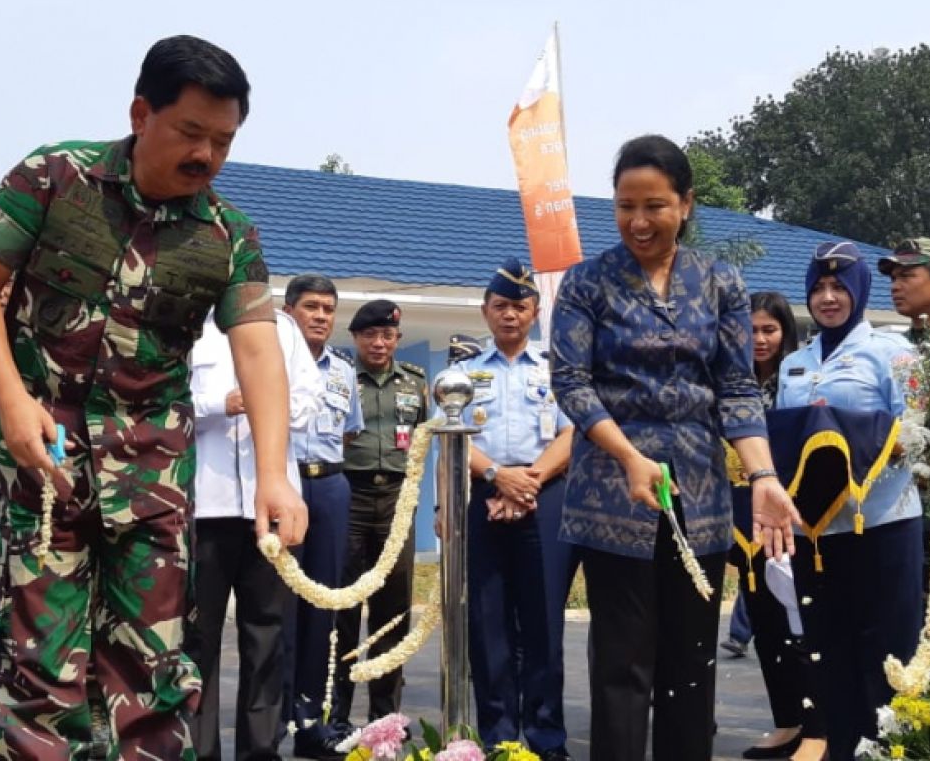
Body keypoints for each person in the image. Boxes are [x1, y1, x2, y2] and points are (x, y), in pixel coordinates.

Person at [0, 35, 308, 759]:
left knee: (152, 674)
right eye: (191, 133)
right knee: (39, 669)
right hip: (43, 467)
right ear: (141, 113)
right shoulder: (54, 176)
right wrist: (14, 401)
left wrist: (274, 472)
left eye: (224, 141)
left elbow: (260, 350)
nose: (206, 155)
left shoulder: (228, 234)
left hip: (151, 478)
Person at [549, 134, 799, 761]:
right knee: (621, 666)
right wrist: (629, 456)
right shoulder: (587, 283)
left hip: (702, 498)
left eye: (655, 205)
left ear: (686, 204)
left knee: (691, 665)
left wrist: (763, 474)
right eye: (625, 206)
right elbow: (571, 382)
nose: (638, 221)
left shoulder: (721, 283)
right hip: (613, 494)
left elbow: (737, 386)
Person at [777, 241, 922, 760]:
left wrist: (858, 444)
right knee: (828, 654)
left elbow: (921, 431)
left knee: (887, 657)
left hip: (882, 524)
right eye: (818, 288)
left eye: (840, 287)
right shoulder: (794, 363)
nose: (829, 297)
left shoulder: (896, 353)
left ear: (859, 292)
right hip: (816, 535)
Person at [449, 259, 577, 761]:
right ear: (485, 311)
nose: (509, 315)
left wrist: (529, 481)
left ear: (535, 311)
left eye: (519, 306)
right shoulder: (461, 373)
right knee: (489, 622)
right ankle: (499, 738)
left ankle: (547, 739)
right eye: (500, 306)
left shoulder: (555, 369)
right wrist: (496, 477)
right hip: (485, 496)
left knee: (544, 622)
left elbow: (573, 432)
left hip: (544, 497)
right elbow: (452, 436)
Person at [186, 309, 323, 761]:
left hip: (271, 507)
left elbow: (309, 400)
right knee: (197, 638)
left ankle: (261, 750)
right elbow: (165, 403)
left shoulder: (280, 328)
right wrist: (217, 404)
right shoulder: (185, 322)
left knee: (267, 634)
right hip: (204, 502)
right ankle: (198, 751)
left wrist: (265, 402)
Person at [732, 291, 826, 761]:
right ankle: (787, 721)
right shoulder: (732, 382)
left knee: (800, 623)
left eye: (769, 329)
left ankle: (817, 726)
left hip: (792, 518)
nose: (760, 339)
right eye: (750, 330)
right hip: (744, 520)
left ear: (786, 331)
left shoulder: (798, 380)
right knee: (765, 623)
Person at [331, 299, 429, 731]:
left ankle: (384, 718)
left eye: (387, 335)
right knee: (342, 607)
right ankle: (333, 717)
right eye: (370, 334)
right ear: (355, 338)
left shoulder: (417, 382)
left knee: (393, 610)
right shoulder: (338, 379)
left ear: (397, 339)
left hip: (396, 500)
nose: (379, 342)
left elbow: (426, 437)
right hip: (347, 498)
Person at [281, 274, 363, 760]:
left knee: (322, 605)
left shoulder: (343, 372)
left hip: (330, 485)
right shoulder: (271, 363)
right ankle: (272, 720)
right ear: (289, 311)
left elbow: (348, 431)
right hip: (283, 482)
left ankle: (310, 720)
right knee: (278, 608)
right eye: (311, 306)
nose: (320, 316)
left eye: (328, 309)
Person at [879, 237, 930, 625]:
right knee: (910, 643)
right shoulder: (887, 351)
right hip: (904, 518)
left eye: (907, 275)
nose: (895, 285)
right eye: (893, 277)